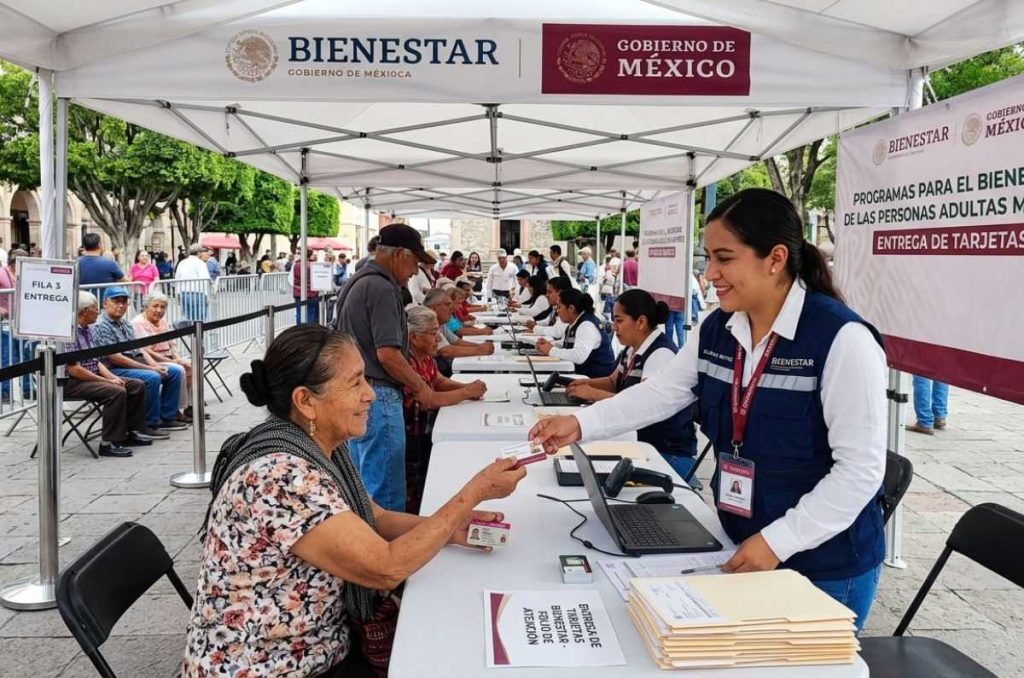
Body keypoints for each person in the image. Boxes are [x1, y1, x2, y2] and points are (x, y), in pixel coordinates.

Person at [530, 188, 887, 633]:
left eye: (724, 258)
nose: (710, 273)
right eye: (708, 257)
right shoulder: (718, 327)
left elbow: (860, 471)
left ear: (775, 258)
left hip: (822, 563)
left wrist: (778, 542)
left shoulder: (841, 339)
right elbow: (661, 393)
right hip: (740, 538)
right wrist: (580, 423)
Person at [183, 324, 525, 677]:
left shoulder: (316, 447)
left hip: (313, 646)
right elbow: (384, 567)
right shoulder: (282, 476)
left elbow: (372, 518)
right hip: (268, 665)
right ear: (305, 401)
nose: (371, 394)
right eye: (356, 382)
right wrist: (473, 493)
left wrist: (452, 528)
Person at [333, 223, 444, 511]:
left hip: (356, 394)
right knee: (386, 495)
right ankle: (386, 552)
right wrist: (421, 387)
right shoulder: (382, 287)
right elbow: (388, 355)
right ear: (399, 254)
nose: (414, 271)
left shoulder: (358, 281)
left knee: (363, 491)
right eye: (414, 263)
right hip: (378, 395)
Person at [565, 289, 698, 476]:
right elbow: (613, 381)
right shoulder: (632, 349)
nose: (614, 327)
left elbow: (643, 406)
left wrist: (593, 394)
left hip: (665, 453)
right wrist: (586, 384)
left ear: (641, 322)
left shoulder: (661, 354)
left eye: (619, 320)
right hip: (637, 442)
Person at [404, 306, 487, 512]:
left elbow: (438, 380)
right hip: (411, 435)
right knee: (417, 482)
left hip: (425, 427)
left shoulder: (425, 356)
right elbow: (428, 400)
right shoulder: (406, 362)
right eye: (433, 333)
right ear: (414, 337)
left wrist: (468, 388)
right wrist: (466, 392)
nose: (438, 337)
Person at [66, 291, 154, 457]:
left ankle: (130, 431)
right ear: (84, 311)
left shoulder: (88, 330)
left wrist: (112, 378)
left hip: (89, 376)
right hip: (73, 382)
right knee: (115, 391)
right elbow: (74, 369)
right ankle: (108, 442)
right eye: (94, 308)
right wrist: (107, 382)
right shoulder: (70, 333)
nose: (97, 312)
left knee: (136, 384)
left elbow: (96, 361)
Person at [92, 287, 188, 433]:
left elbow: (139, 349)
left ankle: (167, 417)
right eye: (116, 301)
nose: (121, 305)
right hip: (111, 369)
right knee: (152, 376)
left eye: (124, 302)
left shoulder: (125, 324)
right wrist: (150, 368)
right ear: (105, 303)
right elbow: (116, 358)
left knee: (173, 371)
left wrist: (154, 364)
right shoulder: (102, 325)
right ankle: (150, 423)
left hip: (132, 362)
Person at [132, 292, 197, 423]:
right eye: (155, 306)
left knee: (193, 366)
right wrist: (174, 361)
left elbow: (172, 344)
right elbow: (147, 351)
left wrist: (178, 357)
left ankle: (190, 407)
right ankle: (173, 412)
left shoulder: (163, 322)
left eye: (162, 307)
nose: (159, 310)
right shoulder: (138, 323)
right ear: (146, 306)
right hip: (151, 359)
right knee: (179, 369)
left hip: (168, 357)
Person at [535, 289, 614, 378]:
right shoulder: (575, 323)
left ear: (571, 308)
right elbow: (567, 342)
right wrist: (550, 345)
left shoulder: (586, 326)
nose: (557, 311)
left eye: (559, 307)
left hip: (595, 380)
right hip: (583, 376)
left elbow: (578, 356)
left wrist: (551, 350)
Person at [423, 289, 495, 362]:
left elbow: (456, 341)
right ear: (434, 308)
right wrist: (479, 349)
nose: (451, 308)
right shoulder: (426, 322)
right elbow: (446, 351)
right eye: (447, 304)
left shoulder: (440, 322)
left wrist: (480, 346)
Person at [0, 248, 32, 401]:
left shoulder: (27, 273)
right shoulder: (1, 273)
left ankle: (27, 389)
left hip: (23, 321)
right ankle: (4, 391)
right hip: (5, 323)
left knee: (24, 356)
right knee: (6, 358)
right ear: (13, 263)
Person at [174, 243, 212, 321]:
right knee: (199, 318)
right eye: (201, 252)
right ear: (198, 253)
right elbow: (205, 280)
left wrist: (177, 294)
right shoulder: (201, 263)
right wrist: (207, 295)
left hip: (184, 293)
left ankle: (189, 332)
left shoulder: (182, 263)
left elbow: (177, 278)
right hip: (198, 293)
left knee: (187, 317)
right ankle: (197, 333)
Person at [292, 248, 320, 325]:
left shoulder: (296, 265)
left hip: (298, 291)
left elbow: (292, 278)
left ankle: (299, 329)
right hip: (312, 292)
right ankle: (308, 330)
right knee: (310, 313)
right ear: (310, 255)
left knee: (299, 312)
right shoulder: (314, 265)